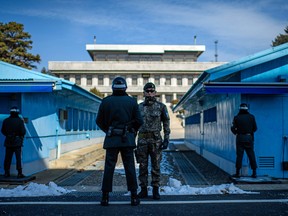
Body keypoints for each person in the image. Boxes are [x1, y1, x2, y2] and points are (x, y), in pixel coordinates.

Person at [96, 77, 143, 206]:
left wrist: (109, 130)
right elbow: (139, 121)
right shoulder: (132, 102)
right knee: (129, 167)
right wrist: (132, 131)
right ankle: (134, 196)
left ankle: (105, 197)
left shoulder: (106, 102)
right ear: (125, 87)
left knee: (109, 167)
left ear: (112, 87)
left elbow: (99, 121)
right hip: (127, 139)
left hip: (112, 139)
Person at [136, 82, 170, 200]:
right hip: (142, 141)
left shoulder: (161, 107)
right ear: (144, 93)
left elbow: (166, 123)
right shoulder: (139, 107)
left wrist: (166, 139)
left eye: (152, 91)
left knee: (156, 166)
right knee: (142, 166)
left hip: (156, 141)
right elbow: (134, 124)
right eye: (147, 91)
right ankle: (143, 189)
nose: (150, 93)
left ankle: (156, 190)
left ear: (155, 93)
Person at [231, 103, 258, 178]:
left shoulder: (236, 118)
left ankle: (237, 173)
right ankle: (254, 172)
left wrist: (236, 132)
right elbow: (255, 128)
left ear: (240, 109)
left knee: (239, 156)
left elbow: (233, 128)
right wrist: (249, 132)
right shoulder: (252, 117)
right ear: (247, 109)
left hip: (240, 138)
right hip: (249, 138)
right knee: (251, 155)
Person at [1, 106, 26, 178]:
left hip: (8, 141)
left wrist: (8, 135)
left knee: (7, 158)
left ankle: (6, 172)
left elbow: (2, 130)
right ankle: (19, 173)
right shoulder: (20, 121)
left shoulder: (6, 120)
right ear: (17, 112)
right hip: (17, 142)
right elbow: (23, 132)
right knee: (18, 158)